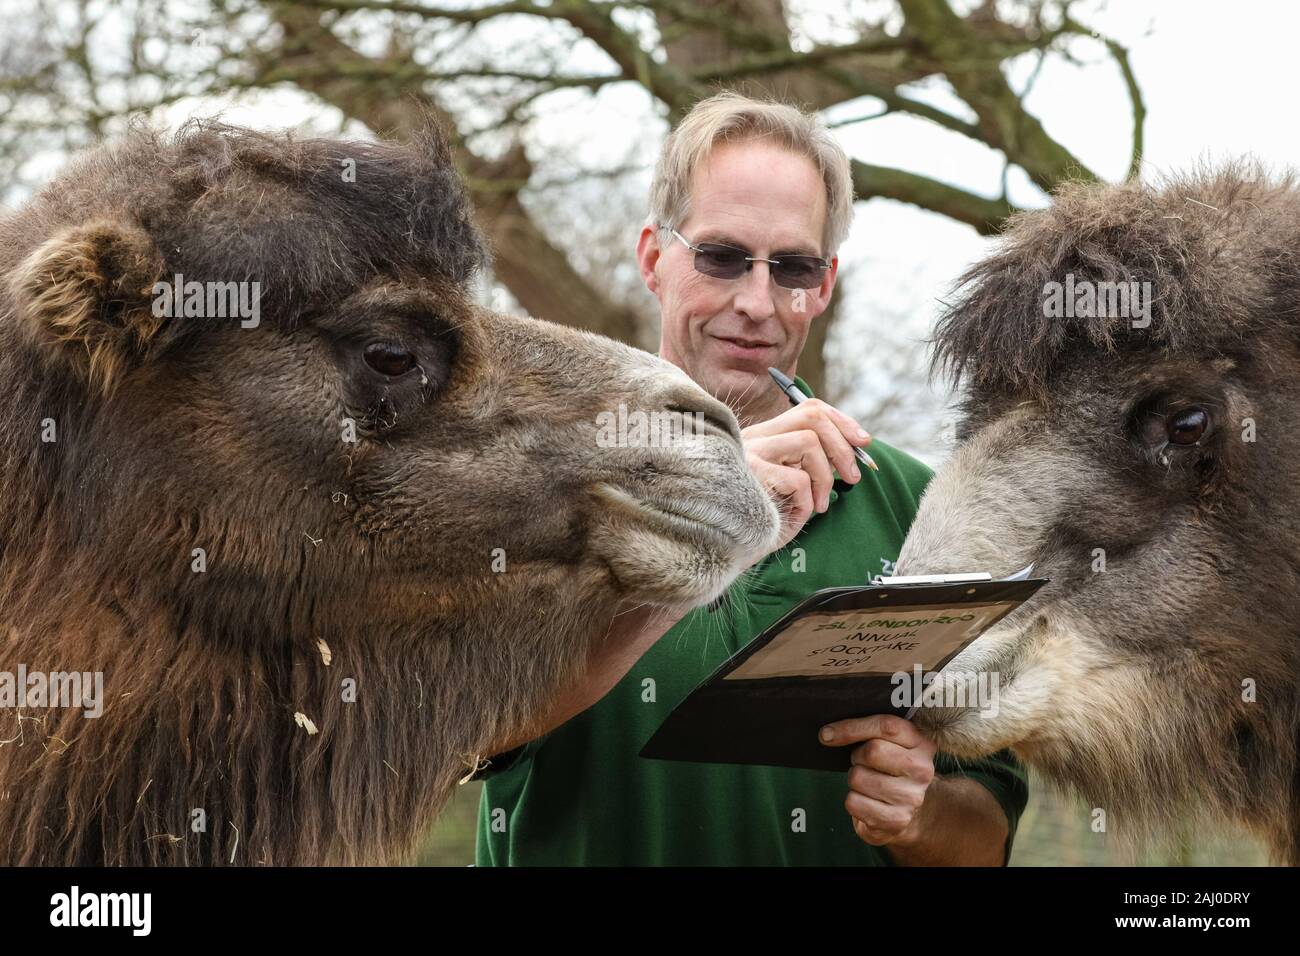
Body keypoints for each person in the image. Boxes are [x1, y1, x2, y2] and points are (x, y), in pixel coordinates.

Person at [474, 91, 1027, 865]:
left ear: (825, 283)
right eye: (722, 256)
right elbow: (462, 735)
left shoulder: (918, 506)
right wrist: (721, 501)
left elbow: (987, 837)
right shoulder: (539, 473)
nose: (756, 302)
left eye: (792, 267)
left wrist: (919, 810)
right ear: (651, 258)